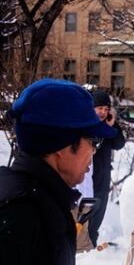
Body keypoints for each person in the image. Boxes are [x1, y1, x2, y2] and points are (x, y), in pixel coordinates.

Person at [0, 79, 116, 265]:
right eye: (92, 141)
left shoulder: (45, 201)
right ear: (62, 146)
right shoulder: (19, 218)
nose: (94, 151)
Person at [87, 89, 126, 246]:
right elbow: (94, 142)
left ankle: (91, 249)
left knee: (96, 220)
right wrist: (106, 130)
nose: (103, 112)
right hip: (87, 180)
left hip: (103, 179)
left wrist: (112, 126)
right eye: (100, 109)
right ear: (92, 108)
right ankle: (82, 251)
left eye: (106, 109)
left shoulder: (109, 126)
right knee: (84, 221)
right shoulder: (87, 124)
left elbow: (119, 144)